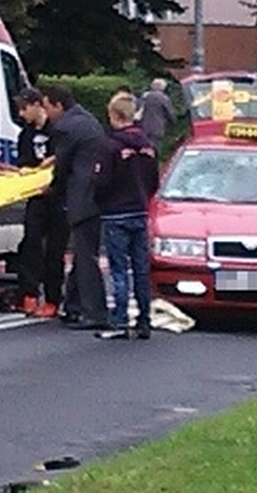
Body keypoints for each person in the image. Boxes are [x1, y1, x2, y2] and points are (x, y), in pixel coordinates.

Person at [41, 84, 110, 330]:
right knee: (83, 255)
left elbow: (63, 167)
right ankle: (73, 306)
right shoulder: (87, 120)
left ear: (59, 105)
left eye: (47, 107)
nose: (46, 114)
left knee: (86, 258)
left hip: (82, 198)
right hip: (96, 197)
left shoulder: (65, 128)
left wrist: (51, 188)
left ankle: (95, 313)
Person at [94, 94, 160, 340]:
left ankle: (120, 321)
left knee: (119, 269)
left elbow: (102, 181)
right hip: (140, 209)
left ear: (115, 116)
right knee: (141, 270)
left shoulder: (110, 146)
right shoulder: (148, 147)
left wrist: (101, 201)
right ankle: (144, 320)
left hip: (116, 212)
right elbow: (154, 181)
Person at [12, 88, 67, 318]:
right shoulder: (25, 135)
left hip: (56, 197)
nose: (23, 114)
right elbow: (23, 160)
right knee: (30, 243)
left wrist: (51, 165)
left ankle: (53, 298)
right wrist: (26, 170)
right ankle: (29, 293)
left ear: (38, 105)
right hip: (36, 196)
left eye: (25, 109)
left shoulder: (57, 130)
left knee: (55, 250)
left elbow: (65, 157)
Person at [137, 78, 177, 151]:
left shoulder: (144, 96)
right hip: (157, 128)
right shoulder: (163, 98)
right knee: (154, 150)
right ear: (163, 87)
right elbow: (170, 114)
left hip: (141, 128)